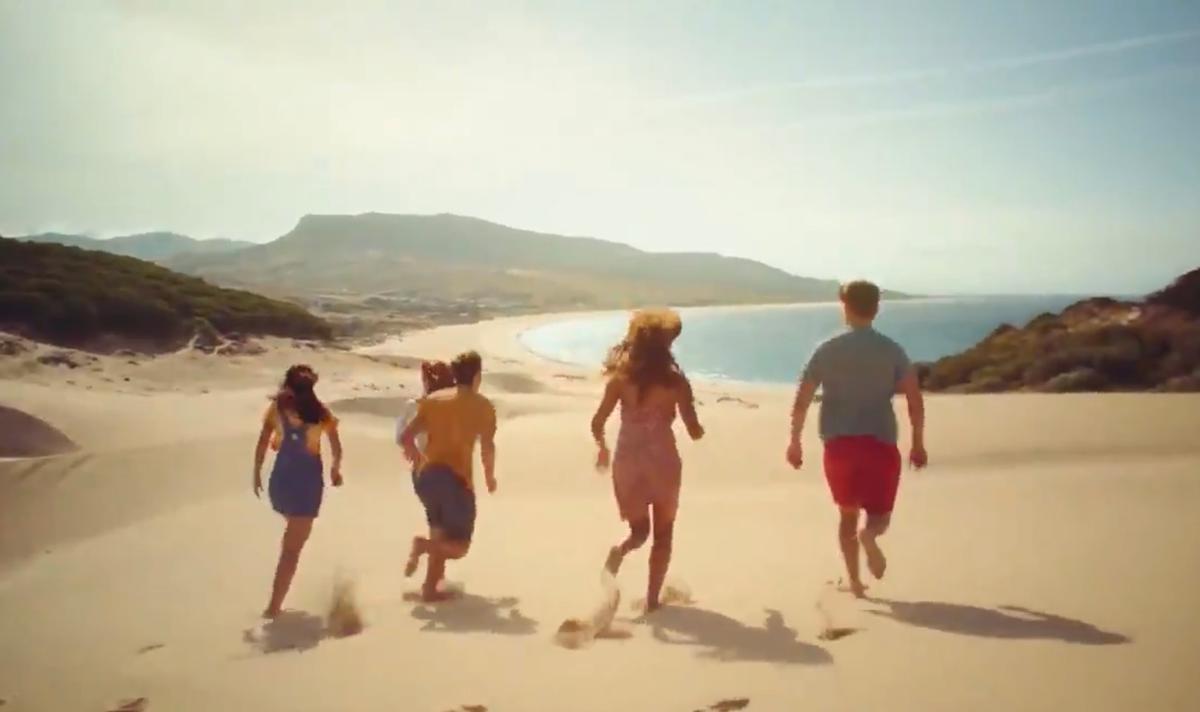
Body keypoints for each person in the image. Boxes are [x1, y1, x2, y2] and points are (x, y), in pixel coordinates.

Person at [786, 281, 927, 598]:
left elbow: (802, 398)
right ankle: (871, 536)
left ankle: (855, 582)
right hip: (880, 442)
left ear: (844, 305)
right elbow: (915, 400)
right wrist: (918, 442)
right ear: (876, 308)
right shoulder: (892, 350)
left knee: (846, 515)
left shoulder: (827, 350)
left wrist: (794, 440)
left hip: (839, 445)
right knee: (879, 517)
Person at [591, 309, 704, 612]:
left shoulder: (620, 379)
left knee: (640, 531)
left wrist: (602, 447)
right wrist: (699, 426)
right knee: (663, 534)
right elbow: (694, 431)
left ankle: (622, 548)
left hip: (628, 461)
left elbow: (597, 422)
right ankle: (652, 601)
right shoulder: (677, 382)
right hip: (663, 462)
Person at [399, 351, 498, 602]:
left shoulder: (434, 399)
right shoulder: (483, 405)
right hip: (456, 479)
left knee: (440, 531)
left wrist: (415, 455)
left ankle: (430, 589)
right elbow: (487, 447)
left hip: (426, 478)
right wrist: (490, 477)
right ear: (477, 376)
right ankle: (421, 547)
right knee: (459, 547)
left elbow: (405, 436)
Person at [253, 364, 344, 618]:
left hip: (280, 482)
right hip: (306, 484)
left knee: (291, 536)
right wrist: (336, 470)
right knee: (291, 550)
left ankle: (275, 603)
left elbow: (263, 443)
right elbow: (337, 449)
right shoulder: (321, 413)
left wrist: (256, 472)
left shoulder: (278, 410)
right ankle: (273, 608)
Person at [396, 360, 456, 577]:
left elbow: (400, 437)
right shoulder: (449, 407)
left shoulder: (413, 405)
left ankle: (434, 583)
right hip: (447, 472)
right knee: (450, 534)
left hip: (421, 475)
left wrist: (413, 451)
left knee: (437, 525)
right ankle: (431, 577)